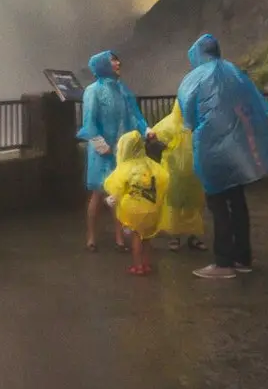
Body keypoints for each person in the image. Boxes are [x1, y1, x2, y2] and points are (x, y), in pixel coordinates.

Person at [176, 33, 268, 280]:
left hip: (212, 150)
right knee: (238, 201)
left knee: (218, 204)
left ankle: (223, 263)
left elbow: (188, 117)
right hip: (239, 149)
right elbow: (259, 107)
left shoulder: (194, 78)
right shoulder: (235, 73)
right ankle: (242, 258)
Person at [76, 50, 148, 252]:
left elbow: (134, 116)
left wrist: (146, 131)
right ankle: (91, 236)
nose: (118, 63)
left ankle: (119, 238)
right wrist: (101, 145)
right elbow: (89, 121)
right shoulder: (93, 90)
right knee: (98, 194)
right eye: (112, 61)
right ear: (102, 65)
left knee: (119, 194)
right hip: (101, 151)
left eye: (117, 60)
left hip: (120, 150)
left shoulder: (122, 90)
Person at [103, 130, 169, 275]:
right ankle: (146, 264)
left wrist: (113, 198)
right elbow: (164, 178)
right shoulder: (151, 165)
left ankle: (138, 266)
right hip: (152, 208)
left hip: (134, 210)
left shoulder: (125, 167)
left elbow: (115, 185)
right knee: (147, 238)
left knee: (137, 237)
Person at [149, 100, 207, 252]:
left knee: (193, 205)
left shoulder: (196, 123)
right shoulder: (168, 125)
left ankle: (193, 236)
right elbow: (152, 141)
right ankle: (175, 236)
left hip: (194, 173)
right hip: (173, 173)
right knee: (174, 205)